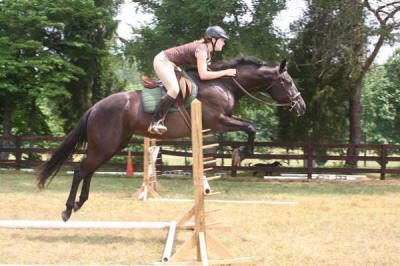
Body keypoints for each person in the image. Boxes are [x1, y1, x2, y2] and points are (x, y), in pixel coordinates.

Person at [148, 25, 237, 134]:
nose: (223, 43)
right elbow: (203, 75)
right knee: (174, 90)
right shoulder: (202, 51)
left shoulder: (206, 51)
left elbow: (208, 72)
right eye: (222, 40)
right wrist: (226, 72)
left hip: (172, 64)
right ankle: (155, 122)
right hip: (163, 61)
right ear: (213, 40)